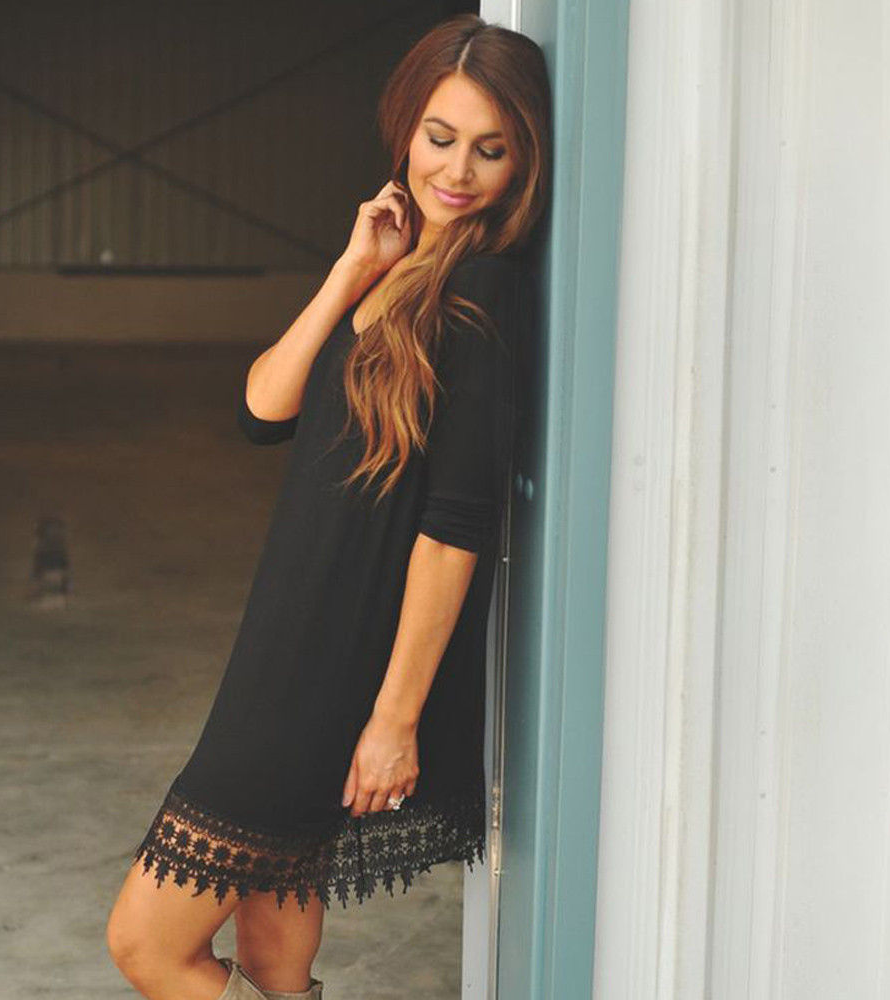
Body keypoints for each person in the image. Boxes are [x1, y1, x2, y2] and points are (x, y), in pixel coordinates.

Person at [106, 13, 551, 1000]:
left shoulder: (483, 294)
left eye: (490, 150)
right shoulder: (399, 266)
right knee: (272, 957)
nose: (458, 171)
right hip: (286, 636)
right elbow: (261, 411)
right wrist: (352, 269)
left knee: (146, 943)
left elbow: (454, 529)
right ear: (405, 129)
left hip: (329, 669)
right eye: (440, 137)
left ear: (524, 160)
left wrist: (394, 718)